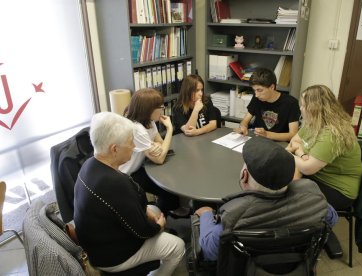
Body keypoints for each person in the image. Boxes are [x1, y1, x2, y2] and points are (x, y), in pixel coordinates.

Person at [74, 112, 185, 274]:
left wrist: (146, 211)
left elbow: (124, 208)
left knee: (154, 210)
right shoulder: (116, 184)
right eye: (130, 143)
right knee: (178, 246)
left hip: (95, 243)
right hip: (112, 257)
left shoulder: (89, 165)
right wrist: (158, 227)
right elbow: (142, 231)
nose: (134, 147)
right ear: (114, 149)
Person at [195, 136, 337, 261]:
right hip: (295, 265)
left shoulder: (233, 214)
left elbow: (209, 251)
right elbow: (332, 218)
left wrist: (206, 214)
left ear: (244, 176)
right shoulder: (312, 197)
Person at [285, 85, 362, 210]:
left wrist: (289, 154)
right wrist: (302, 155)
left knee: (284, 193)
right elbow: (294, 141)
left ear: (315, 108)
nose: (300, 108)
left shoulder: (332, 134)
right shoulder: (314, 122)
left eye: (304, 105)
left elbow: (307, 168)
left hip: (337, 189)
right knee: (281, 179)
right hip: (317, 175)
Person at [120, 88, 188, 217]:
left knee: (169, 180)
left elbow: (161, 144)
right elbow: (160, 159)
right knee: (165, 188)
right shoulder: (137, 128)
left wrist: (156, 145)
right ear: (149, 109)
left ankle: (171, 209)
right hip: (127, 175)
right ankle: (158, 219)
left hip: (141, 165)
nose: (162, 110)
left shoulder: (149, 121)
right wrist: (169, 129)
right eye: (160, 107)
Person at [234, 67, 300, 142]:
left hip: (279, 144)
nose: (256, 95)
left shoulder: (291, 103)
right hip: (258, 140)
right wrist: (243, 126)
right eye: (254, 90)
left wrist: (267, 134)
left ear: (272, 87)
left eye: (259, 90)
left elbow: (293, 134)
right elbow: (246, 120)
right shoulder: (257, 98)